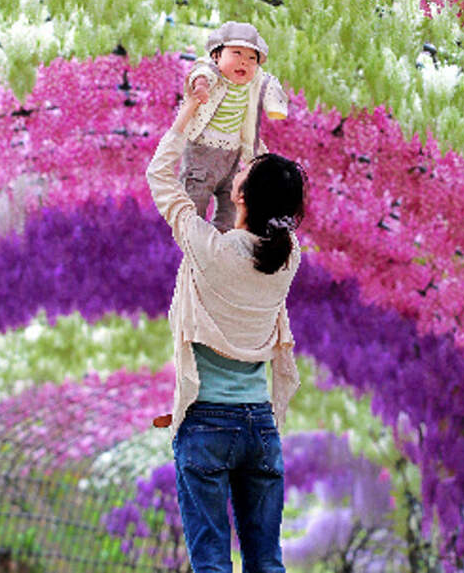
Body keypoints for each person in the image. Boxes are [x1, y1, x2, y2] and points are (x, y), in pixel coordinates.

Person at [145, 91, 306, 573]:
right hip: (260, 426)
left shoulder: (207, 248)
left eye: (239, 174)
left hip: (207, 425)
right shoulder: (288, 256)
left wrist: (191, 111)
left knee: (211, 564)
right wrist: (248, 100)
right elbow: (267, 194)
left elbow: (159, 177)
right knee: (266, 562)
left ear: (239, 196)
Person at [179, 20, 289, 231]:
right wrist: (200, 86)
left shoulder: (254, 80)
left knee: (231, 198)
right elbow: (200, 72)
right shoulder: (212, 72)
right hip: (203, 151)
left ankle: (222, 233)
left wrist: (275, 105)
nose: (244, 62)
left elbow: (270, 84)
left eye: (251, 58)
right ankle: (193, 234)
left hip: (232, 153)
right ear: (216, 56)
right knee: (195, 197)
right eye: (236, 53)